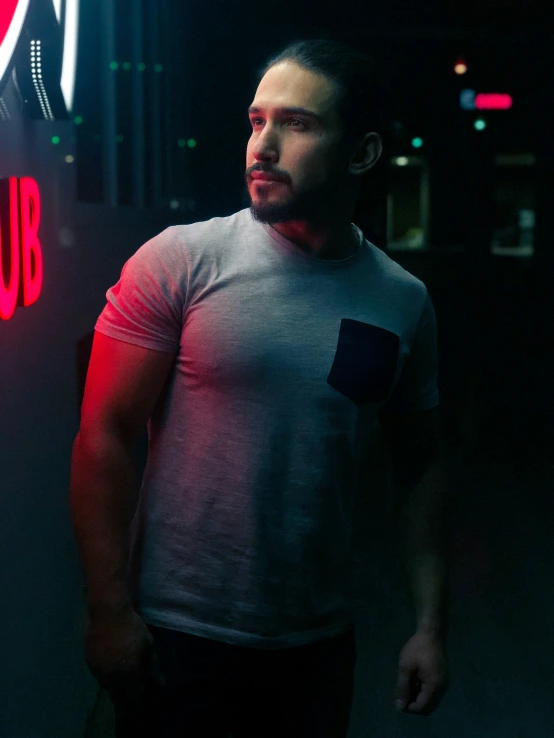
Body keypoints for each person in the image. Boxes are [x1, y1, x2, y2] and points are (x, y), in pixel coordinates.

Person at [70, 37, 450, 738]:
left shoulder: (403, 300)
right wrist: (109, 611)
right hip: (173, 632)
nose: (263, 145)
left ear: (362, 153)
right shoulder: (181, 259)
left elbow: (420, 465)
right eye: (256, 121)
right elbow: (104, 436)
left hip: (316, 644)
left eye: (296, 124)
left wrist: (431, 624)